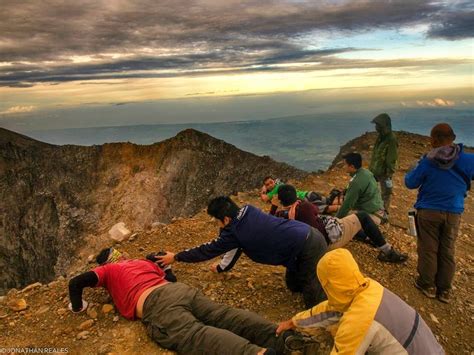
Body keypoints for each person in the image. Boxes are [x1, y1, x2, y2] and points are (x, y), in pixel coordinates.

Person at [68, 247, 289, 355]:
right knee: (224, 315)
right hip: (179, 291)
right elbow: (171, 277)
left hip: (156, 303)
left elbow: (75, 283)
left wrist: (79, 307)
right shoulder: (141, 263)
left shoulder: (108, 269)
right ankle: (281, 335)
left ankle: (257, 354)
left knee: (194, 334)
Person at [158, 196, 329, 308]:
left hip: (309, 246)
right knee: (293, 285)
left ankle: (323, 314)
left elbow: (206, 250)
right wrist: (221, 268)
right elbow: (234, 249)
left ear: (225, 219)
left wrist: (176, 257)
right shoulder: (248, 209)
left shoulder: (233, 233)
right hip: (302, 237)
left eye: (216, 220)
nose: (216, 224)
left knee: (312, 294)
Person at [276, 249, 444, 355]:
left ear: (329, 284)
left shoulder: (357, 322)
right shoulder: (369, 288)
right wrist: (295, 321)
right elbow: (331, 309)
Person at [405, 123, 474, 303]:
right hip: (453, 212)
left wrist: (414, 168)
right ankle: (444, 290)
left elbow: (410, 183)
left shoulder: (428, 161)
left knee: (428, 248)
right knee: (447, 250)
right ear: (454, 138)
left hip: (428, 211)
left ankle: (427, 285)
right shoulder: (468, 160)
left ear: (433, 140)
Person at [274, 184, 407, 263]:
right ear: (295, 196)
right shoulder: (305, 207)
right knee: (362, 217)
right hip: (327, 243)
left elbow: (271, 223)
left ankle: (367, 237)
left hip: (309, 248)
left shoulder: (280, 216)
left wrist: (274, 207)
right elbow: (315, 211)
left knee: (344, 222)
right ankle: (388, 252)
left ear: (280, 201)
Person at [336, 153, 386, 225]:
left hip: (372, 216)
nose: (344, 167)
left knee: (339, 215)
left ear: (352, 166)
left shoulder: (356, 182)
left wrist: (335, 219)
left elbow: (347, 205)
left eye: (345, 164)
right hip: (379, 212)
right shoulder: (366, 172)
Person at [369, 113, 398, 211]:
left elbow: (391, 158)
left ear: (383, 126)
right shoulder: (381, 137)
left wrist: (389, 173)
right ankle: (375, 209)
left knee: (385, 193)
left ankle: (384, 214)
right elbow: (376, 154)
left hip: (384, 172)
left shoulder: (391, 139)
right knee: (373, 190)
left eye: (378, 125)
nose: (376, 127)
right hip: (375, 170)